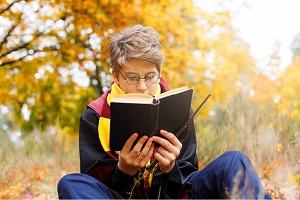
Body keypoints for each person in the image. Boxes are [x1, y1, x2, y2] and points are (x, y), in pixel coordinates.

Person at [57, 24, 271, 199]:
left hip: (174, 196)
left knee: (234, 161)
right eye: (132, 77)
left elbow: (187, 179)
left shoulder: (177, 108)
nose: (142, 86)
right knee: (70, 183)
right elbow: (94, 186)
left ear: (159, 72)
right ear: (115, 76)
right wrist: (124, 170)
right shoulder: (94, 116)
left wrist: (170, 167)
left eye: (150, 76)